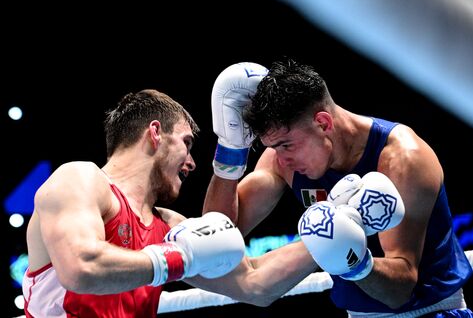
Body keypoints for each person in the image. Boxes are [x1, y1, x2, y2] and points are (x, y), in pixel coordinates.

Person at [204, 59, 473, 317]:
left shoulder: (403, 160)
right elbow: (217, 237)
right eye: (274, 148)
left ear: (323, 123)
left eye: (287, 145)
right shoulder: (282, 159)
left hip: (431, 312)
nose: (282, 158)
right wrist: (231, 151)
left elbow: (401, 289)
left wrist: (355, 263)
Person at [23, 89, 317, 318]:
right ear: (155, 133)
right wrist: (178, 259)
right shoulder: (79, 178)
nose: (191, 163)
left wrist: (329, 231)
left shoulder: (169, 227)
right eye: (186, 143)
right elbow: (81, 268)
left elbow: (254, 284)